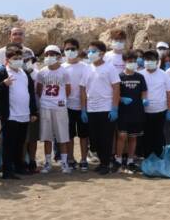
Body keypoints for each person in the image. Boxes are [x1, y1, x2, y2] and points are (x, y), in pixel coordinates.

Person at [0, 45, 38, 179]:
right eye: (15, 58)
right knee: (8, 144)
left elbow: (31, 94)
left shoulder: (25, 74)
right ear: (7, 60)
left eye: (20, 58)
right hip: (10, 115)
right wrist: (3, 84)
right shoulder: (2, 72)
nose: (18, 60)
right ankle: (7, 170)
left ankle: (19, 167)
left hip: (24, 115)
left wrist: (33, 112)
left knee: (20, 143)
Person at [78, 42, 120, 175]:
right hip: (91, 109)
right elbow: (83, 89)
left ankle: (105, 164)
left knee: (106, 138)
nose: (90, 53)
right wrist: (83, 109)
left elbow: (116, 87)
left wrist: (114, 108)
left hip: (106, 108)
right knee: (95, 139)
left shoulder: (109, 68)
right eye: (89, 51)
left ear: (102, 53)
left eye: (93, 51)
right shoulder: (87, 68)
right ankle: (102, 161)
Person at [34, 46, 72, 173]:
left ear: (58, 56)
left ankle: (64, 163)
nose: (49, 57)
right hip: (45, 106)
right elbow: (39, 90)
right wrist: (46, 100)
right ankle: (48, 163)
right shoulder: (42, 72)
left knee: (62, 137)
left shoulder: (64, 72)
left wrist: (59, 100)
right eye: (47, 54)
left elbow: (68, 90)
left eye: (52, 54)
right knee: (47, 137)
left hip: (60, 107)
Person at [115, 52, 148, 173]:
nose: (132, 63)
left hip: (137, 111)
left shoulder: (140, 77)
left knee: (133, 137)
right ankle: (118, 160)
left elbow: (144, 91)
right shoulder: (119, 76)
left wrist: (144, 99)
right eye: (129, 61)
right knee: (122, 136)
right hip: (123, 111)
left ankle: (130, 161)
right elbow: (115, 93)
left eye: (134, 61)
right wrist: (121, 99)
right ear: (124, 62)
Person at [60, 38, 90, 169]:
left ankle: (84, 159)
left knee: (84, 136)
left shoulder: (86, 67)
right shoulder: (61, 67)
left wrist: (84, 108)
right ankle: (71, 159)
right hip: (67, 107)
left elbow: (87, 87)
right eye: (67, 49)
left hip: (83, 107)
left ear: (78, 50)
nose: (70, 51)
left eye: (73, 49)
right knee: (69, 135)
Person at [140, 50, 170, 160]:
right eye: (147, 60)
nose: (149, 62)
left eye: (151, 60)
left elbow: (169, 93)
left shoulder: (164, 75)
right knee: (146, 136)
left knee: (159, 135)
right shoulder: (140, 74)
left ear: (157, 61)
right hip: (145, 111)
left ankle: (159, 157)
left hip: (161, 111)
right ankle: (147, 157)